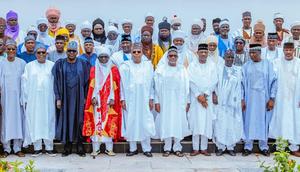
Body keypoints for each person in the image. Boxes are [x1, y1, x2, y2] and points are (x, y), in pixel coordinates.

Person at [52, 41, 90, 157]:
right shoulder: (60, 64)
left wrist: (85, 97)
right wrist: (58, 98)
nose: (71, 53)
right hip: (65, 98)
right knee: (66, 119)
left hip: (79, 97)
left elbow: (88, 82)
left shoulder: (84, 64)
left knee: (79, 120)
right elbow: (56, 82)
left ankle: (79, 145)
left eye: (74, 51)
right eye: (69, 51)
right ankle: (67, 145)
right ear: (66, 51)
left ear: (77, 52)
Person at [83, 47, 122, 157]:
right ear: (98, 58)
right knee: (97, 122)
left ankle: (109, 149)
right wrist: (93, 97)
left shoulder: (113, 69)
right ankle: (96, 149)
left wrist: (113, 98)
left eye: (106, 57)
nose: (104, 59)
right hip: (97, 101)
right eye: (101, 57)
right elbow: (91, 85)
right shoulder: (93, 69)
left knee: (109, 123)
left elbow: (116, 86)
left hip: (109, 101)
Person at [119, 43, 155, 157]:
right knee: (131, 121)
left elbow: (152, 84)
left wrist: (151, 98)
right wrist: (123, 99)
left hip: (144, 98)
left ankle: (146, 148)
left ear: (142, 52)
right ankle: (132, 148)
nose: (136, 54)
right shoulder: (125, 66)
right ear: (131, 53)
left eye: (138, 52)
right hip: (131, 99)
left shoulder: (148, 65)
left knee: (145, 122)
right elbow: (121, 84)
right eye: (134, 52)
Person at [241, 44, 277, 157]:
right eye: (250, 53)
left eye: (254, 53)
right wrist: (242, 99)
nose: (252, 55)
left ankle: (264, 146)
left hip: (264, 99)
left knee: (263, 122)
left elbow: (274, 82)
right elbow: (241, 84)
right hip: (249, 99)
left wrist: (272, 98)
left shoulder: (268, 65)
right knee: (249, 122)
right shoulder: (246, 66)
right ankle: (248, 146)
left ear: (260, 53)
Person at [154, 46, 190, 157]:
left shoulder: (182, 69)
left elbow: (186, 87)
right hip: (165, 102)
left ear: (178, 57)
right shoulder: (161, 70)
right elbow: (156, 88)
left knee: (178, 123)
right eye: (171, 55)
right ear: (167, 57)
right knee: (167, 123)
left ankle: (177, 148)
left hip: (179, 101)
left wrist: (187, 101)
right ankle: (167, 148)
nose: (173, 57)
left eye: (175, 56)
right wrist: (157, 102)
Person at [22, 44, 56, 157]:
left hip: (48, 99)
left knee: (48, 120)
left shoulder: (52, 65)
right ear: (35, 54)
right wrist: (25, 99)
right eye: (39, 52)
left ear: (47, 54)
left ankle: (49, 147)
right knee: (35, 121)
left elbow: (56, 83)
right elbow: (24, 84)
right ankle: (37, 147)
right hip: (34, 99)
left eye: (43, 52)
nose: (41, 54)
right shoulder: (29, 66)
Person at [269, 42, 300, 157]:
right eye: (286, 50)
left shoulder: (298, 63)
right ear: (283, 51)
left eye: (290, 50)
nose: (288, 52)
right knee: (280, 120)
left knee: (295, 122)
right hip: (280, 98)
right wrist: (272, 97)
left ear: (294, 50)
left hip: (295, 99)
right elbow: (272, 81)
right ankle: (280, 148)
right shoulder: (276, 62)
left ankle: (294, 147)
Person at [188, 43, 218, 156]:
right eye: (201, 52)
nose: (203, 54)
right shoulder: (192, 65)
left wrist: (205, 95)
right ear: (197, 53)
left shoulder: (212, 65)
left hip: (207, 99)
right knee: (196, 122)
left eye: (205, 52)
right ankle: (195, 148)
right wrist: (198, 96)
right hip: (196, 99)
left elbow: (214, 81)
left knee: (206, 122)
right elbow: (190, 81)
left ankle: (204, 148)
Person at [213, 50, 244, 156]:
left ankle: (231, 146)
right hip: (222, 102)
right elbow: (214, 83)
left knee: (232, 124)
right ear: (224, 58)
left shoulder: (238, 70)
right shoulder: (219, 69)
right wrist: (214, 95)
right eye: (228, 57)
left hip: (234, 103)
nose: (230, 59)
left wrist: (241, 100)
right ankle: (220, 147)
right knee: (221, 123)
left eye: (231, 57)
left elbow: (241, 86)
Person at [0, 39, 26, 158]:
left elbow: (25, 82)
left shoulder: (22, 63)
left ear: (16, 50)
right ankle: (6, 148)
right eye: (9, 49)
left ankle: (17, 148)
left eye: (13, 49)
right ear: (6, 49)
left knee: (18, 122)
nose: (11, 51)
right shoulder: (1, 63)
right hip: (5, 99)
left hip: (18, 99)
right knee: (6, 122)